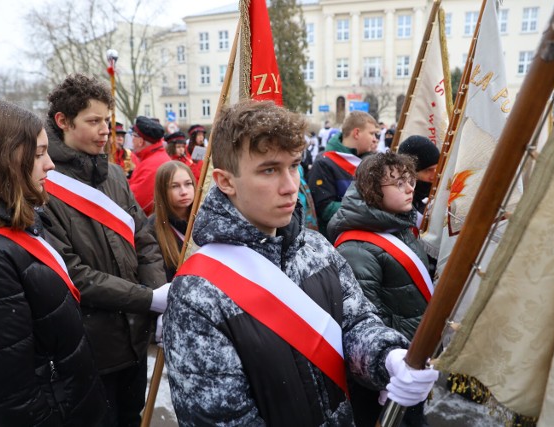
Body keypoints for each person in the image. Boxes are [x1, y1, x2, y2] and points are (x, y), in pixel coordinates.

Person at [163, 100, 437, 426]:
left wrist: (387, 357)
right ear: (225, 181)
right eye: (269, 169)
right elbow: (222, 419)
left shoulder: (317, 247)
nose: (291, 186)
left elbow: (355, 324)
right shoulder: (196, 294)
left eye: (294, 165)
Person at [0, 97, 106, 426]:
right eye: (38, 154)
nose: (50, 164)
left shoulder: (9, 223)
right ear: (0, 160)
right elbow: (10, 401)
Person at [43, 73, 169, 427]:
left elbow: (144, 239)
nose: (105, 131)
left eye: (108, 121)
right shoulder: (44, 183)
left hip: (133, 336)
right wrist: (146, 299)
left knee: (131, 417)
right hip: (89, 343)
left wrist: (157, 295)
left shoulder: (114, 175)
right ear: (63, 122)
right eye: (94, 121)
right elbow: (73, 273)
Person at [328, 152, 432, 426]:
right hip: (390, 371)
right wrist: (387, 372)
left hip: (412, 356)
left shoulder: (397, 225)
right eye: (398, 183)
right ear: (373, 191)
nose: (410, 188)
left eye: (410, 180)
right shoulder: (356, 249)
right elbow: (368, 318)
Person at [308, 111, 379, 236]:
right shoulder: (324, 163)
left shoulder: (373, 161)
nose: (375, 139)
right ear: (356, 133)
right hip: (338, 240)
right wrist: (371, 209)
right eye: (372, 133)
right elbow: (325, 209)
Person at [149, 161, 196, 282]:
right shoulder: (151, 228)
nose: (184, 191)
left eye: (188, 184)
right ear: (162, 191)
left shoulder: (205, 219)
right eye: (175, 186)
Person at [129, 116, 171, 215]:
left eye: (133, 136)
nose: (131, 139)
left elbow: (136, 203)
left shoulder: (152, 165)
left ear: (140, 141)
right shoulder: (153, 157)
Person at [398, 135, 441, 215]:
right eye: (428, 170)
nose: (434, 176)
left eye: (437, 169)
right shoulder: (399, 208)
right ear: (410, 173)